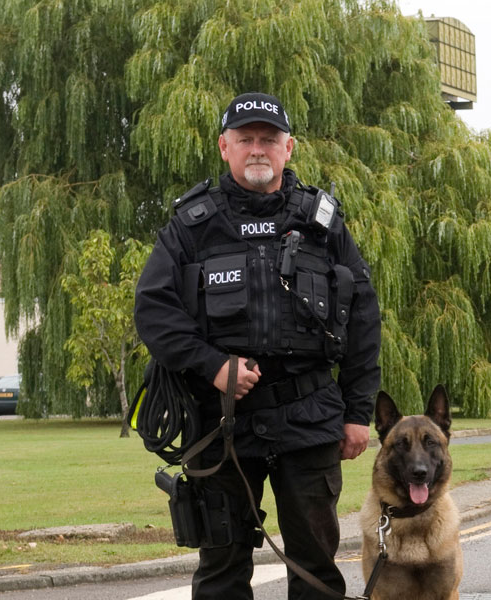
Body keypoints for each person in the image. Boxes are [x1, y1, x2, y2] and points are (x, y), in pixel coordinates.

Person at [134, 91, 381, 599]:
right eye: (245, 139)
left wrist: (358, 412)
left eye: (268, 139)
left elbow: (363, 318)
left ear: (288, 148)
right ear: (225, 147)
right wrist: (213, 366)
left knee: (316, 570)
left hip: (309, 417)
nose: (257, 149)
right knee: (222, 572)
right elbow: (153, 311)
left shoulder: (323, 222)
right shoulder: (190, 227)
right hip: (222, 421)